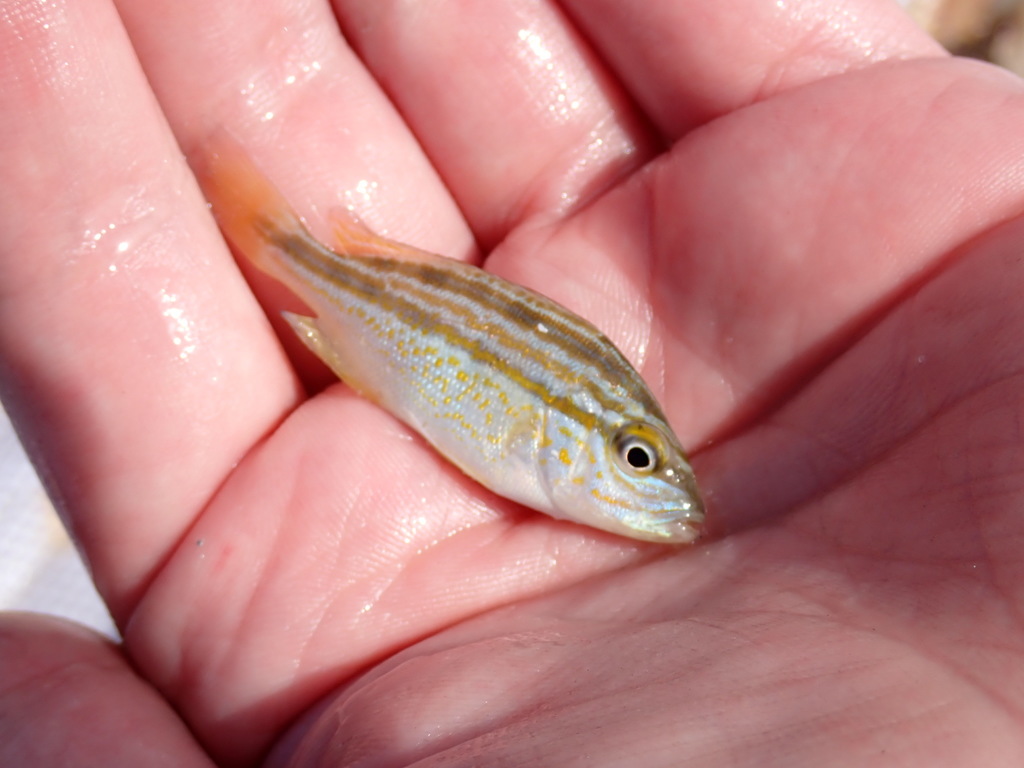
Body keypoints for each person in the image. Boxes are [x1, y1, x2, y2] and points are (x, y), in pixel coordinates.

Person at [3, 0, 1024, 764]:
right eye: (634, 456)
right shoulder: (550, 429)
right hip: (382, 301)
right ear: (587, 438)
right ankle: (268, 233)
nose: (652, 482)